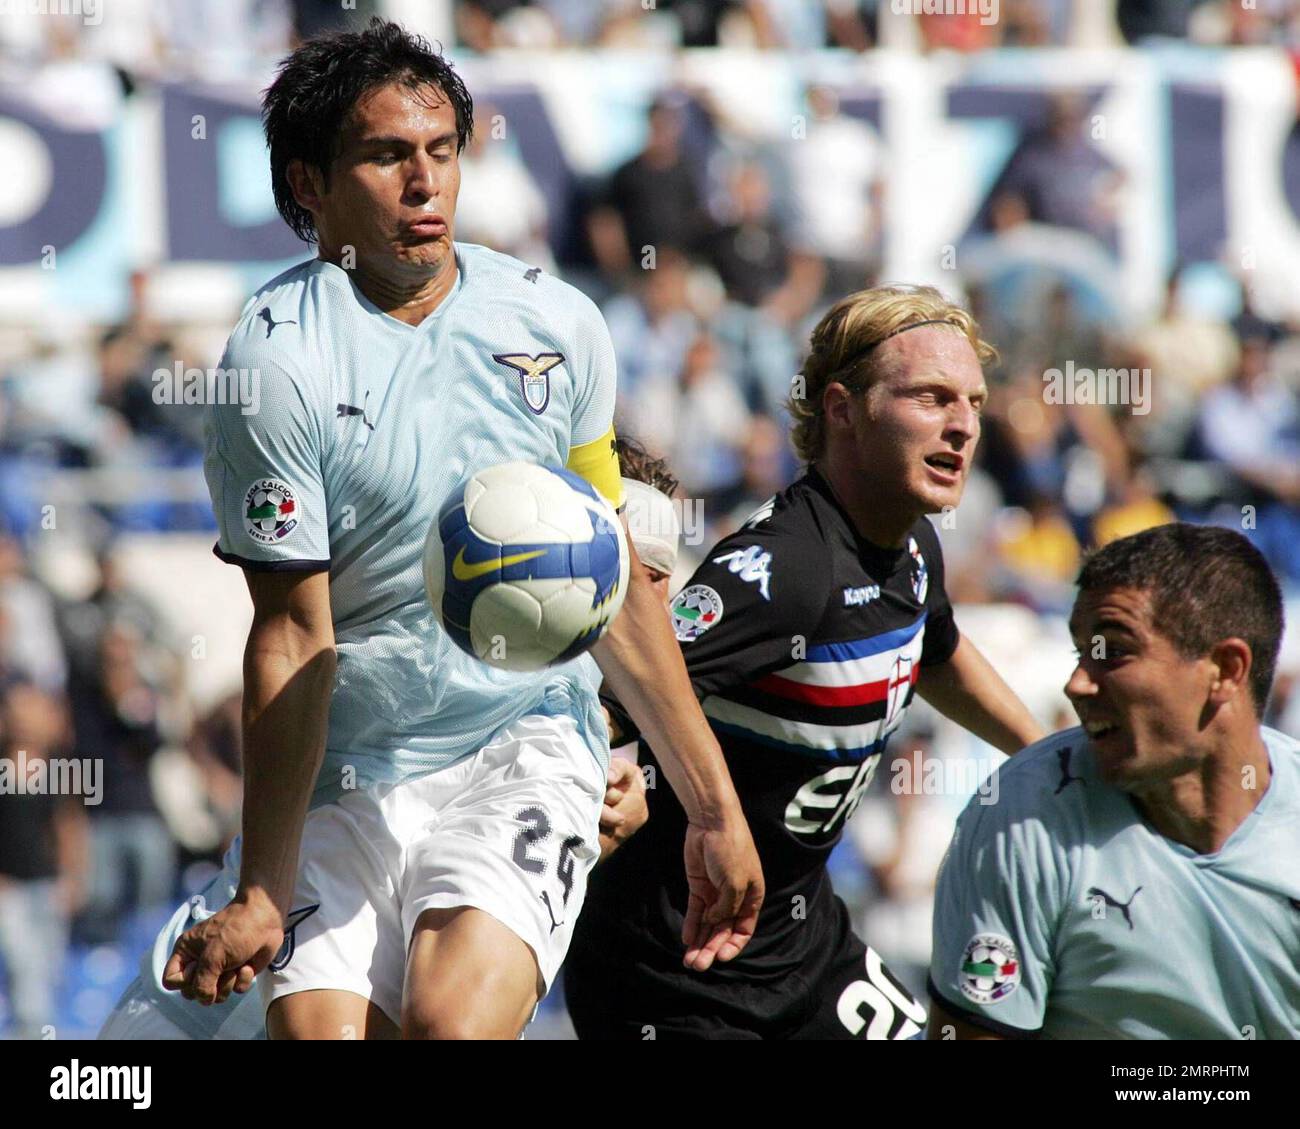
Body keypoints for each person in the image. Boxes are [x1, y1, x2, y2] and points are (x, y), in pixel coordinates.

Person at [134, 18, 760, 1042]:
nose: (424, 183)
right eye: (385, 156)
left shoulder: (556, 326)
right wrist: (260, 887)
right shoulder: (275, 363)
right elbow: (293, 634)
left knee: (449, 1024)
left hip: (520, 741)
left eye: (441, 151)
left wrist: (709, 804)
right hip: (349, 770)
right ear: (309, 185)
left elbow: (611, 586)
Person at [564, 284, 1045, 1039]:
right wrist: (609, 780)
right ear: (842, 409)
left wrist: (1050, 755)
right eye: (931, 397)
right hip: (675, 974)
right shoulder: (784, 568)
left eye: (974, 403)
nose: (962, 427)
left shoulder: (912, 544)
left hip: (807, 949)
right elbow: (627, 685)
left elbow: (939, 649)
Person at [928, 523, 1299, 1039]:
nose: (1076, 683)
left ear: (1225, 669)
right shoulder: (1021, 817)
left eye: (1113, 652)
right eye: (1079, 653)